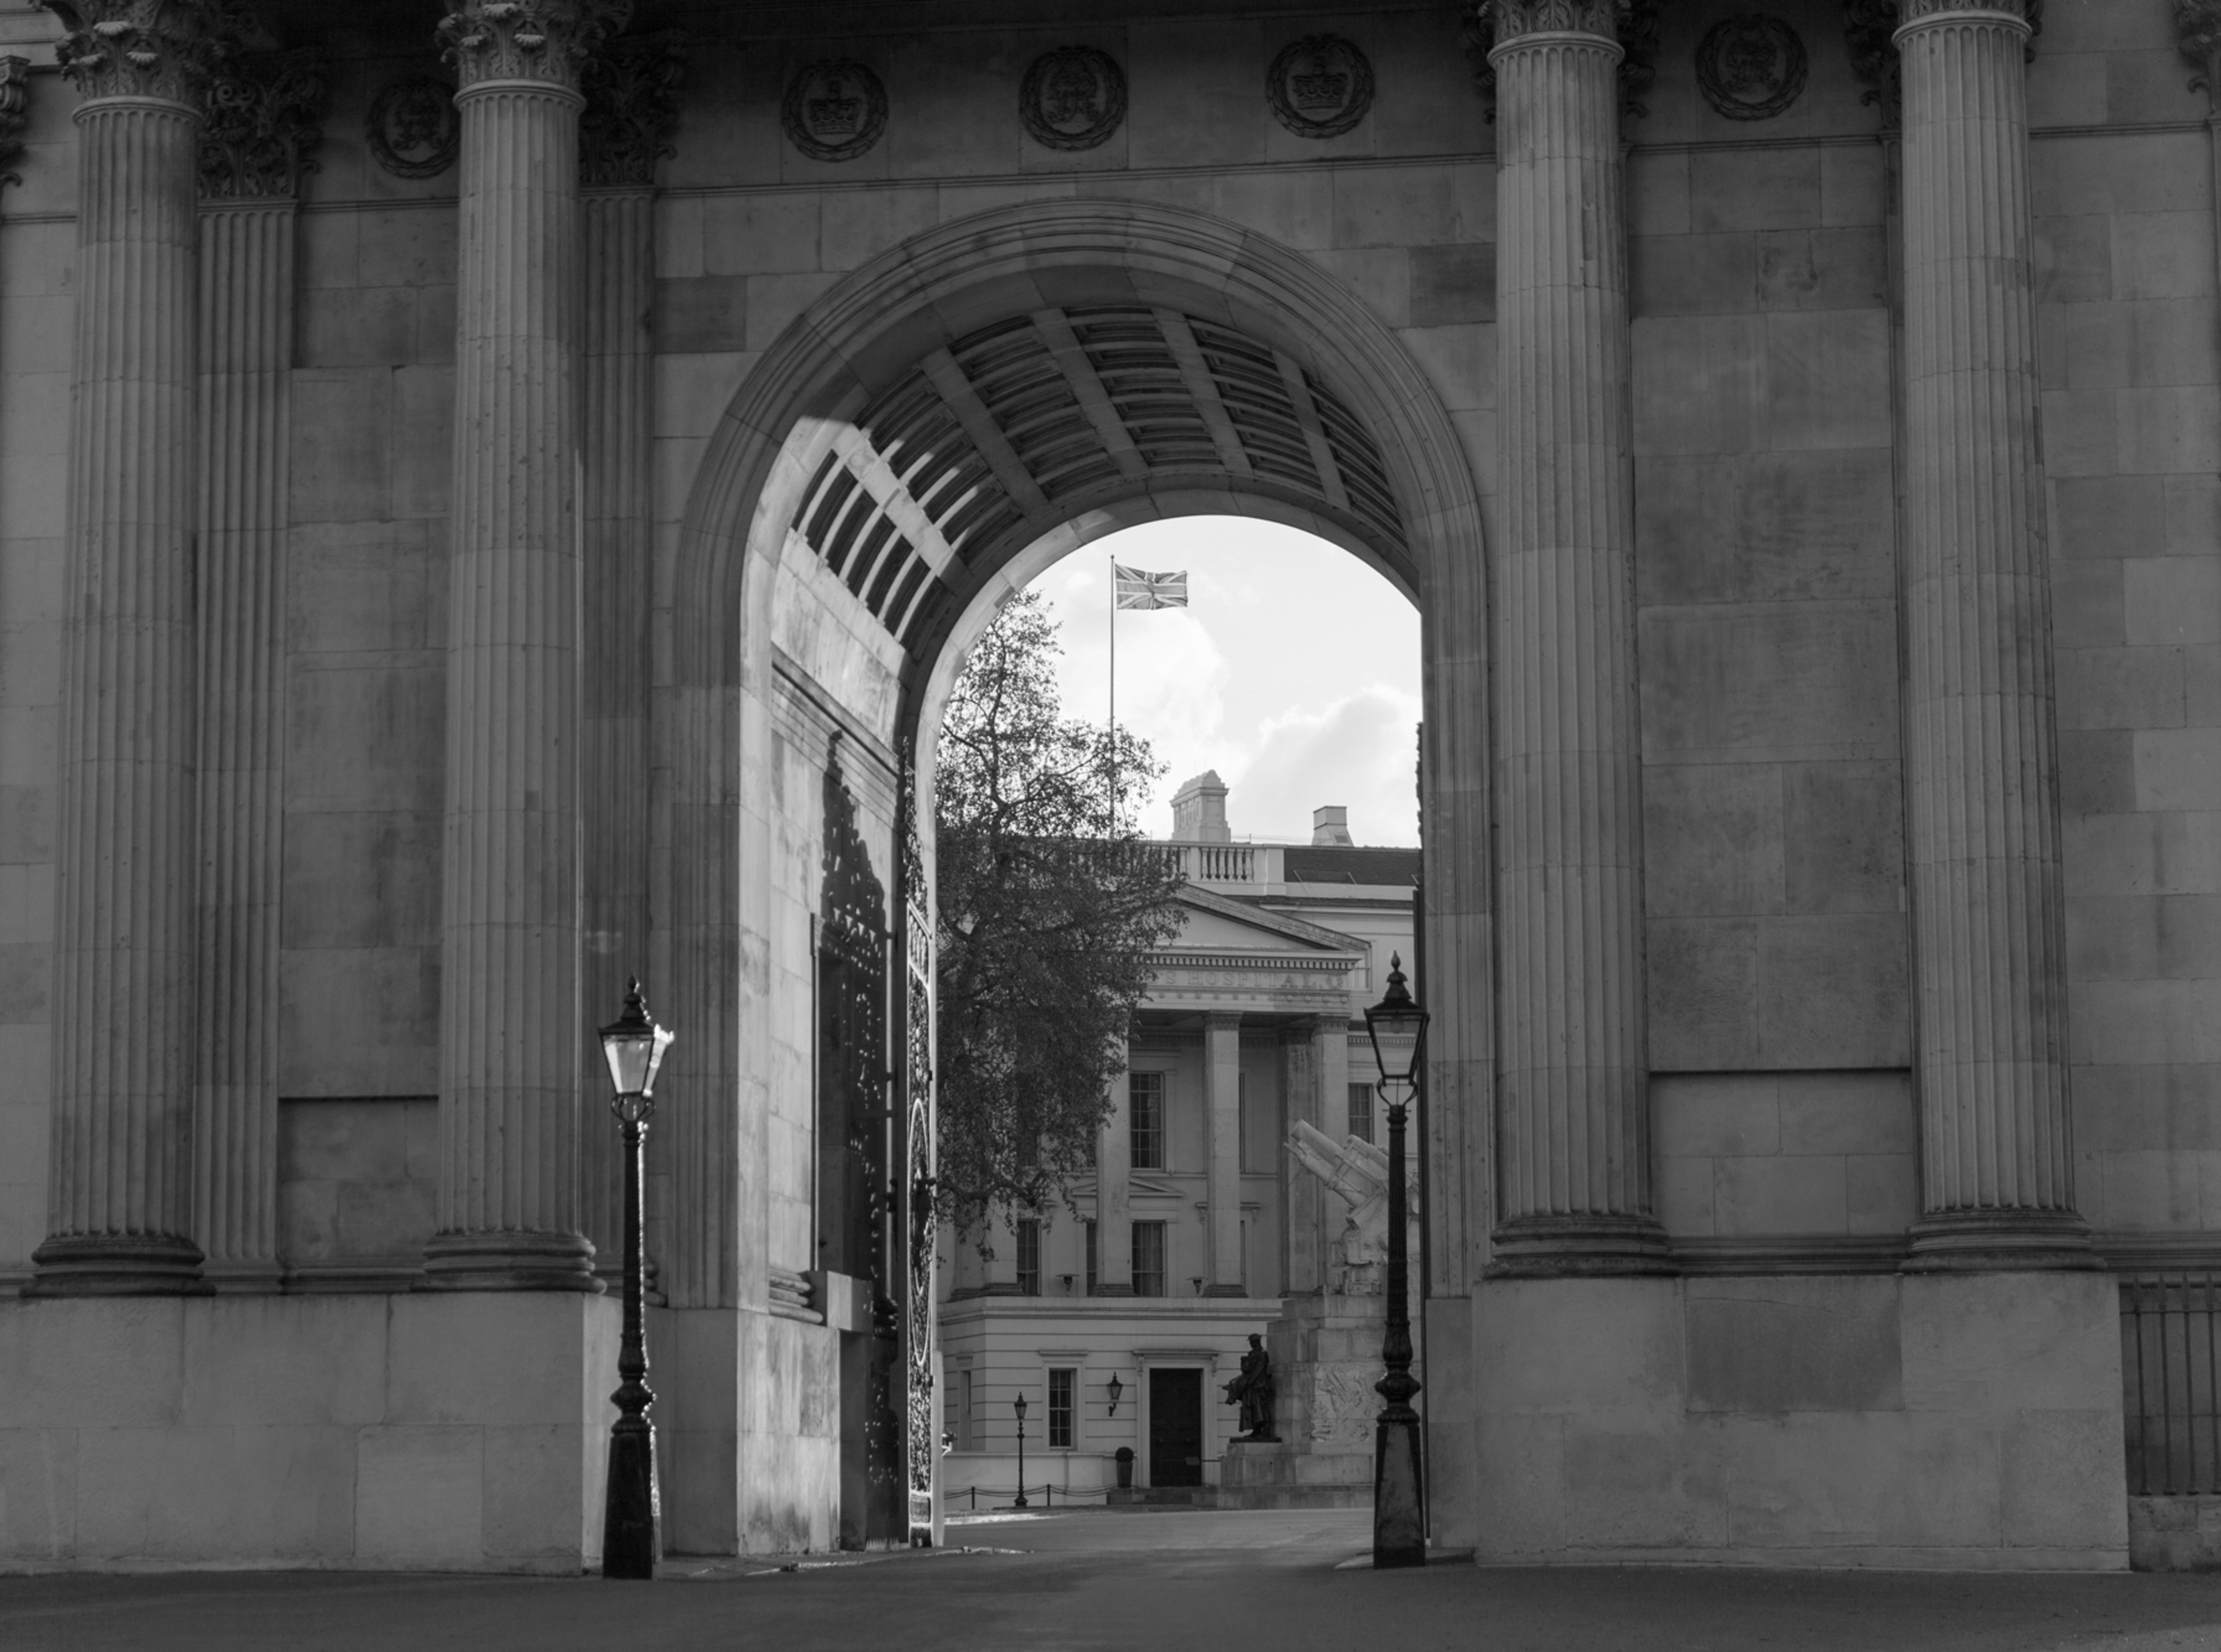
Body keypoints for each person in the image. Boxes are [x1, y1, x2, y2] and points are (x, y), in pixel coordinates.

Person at [1221, 1333, 1278, 1442]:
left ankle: (1265, 1430)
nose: (1251, 1344)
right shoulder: (1251, 1354)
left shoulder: (1263, 1354)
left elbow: (1258, 1371)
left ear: (1257, 1342)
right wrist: (1243, 1362)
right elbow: (1245, 1370)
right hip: (1251, 1386)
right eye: (1251, 1342)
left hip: (1258, 1386)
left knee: (1260, 1408)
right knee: (1252, 1409)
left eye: (1252, 1342)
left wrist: (1248, 1383)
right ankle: (1256, 1431)